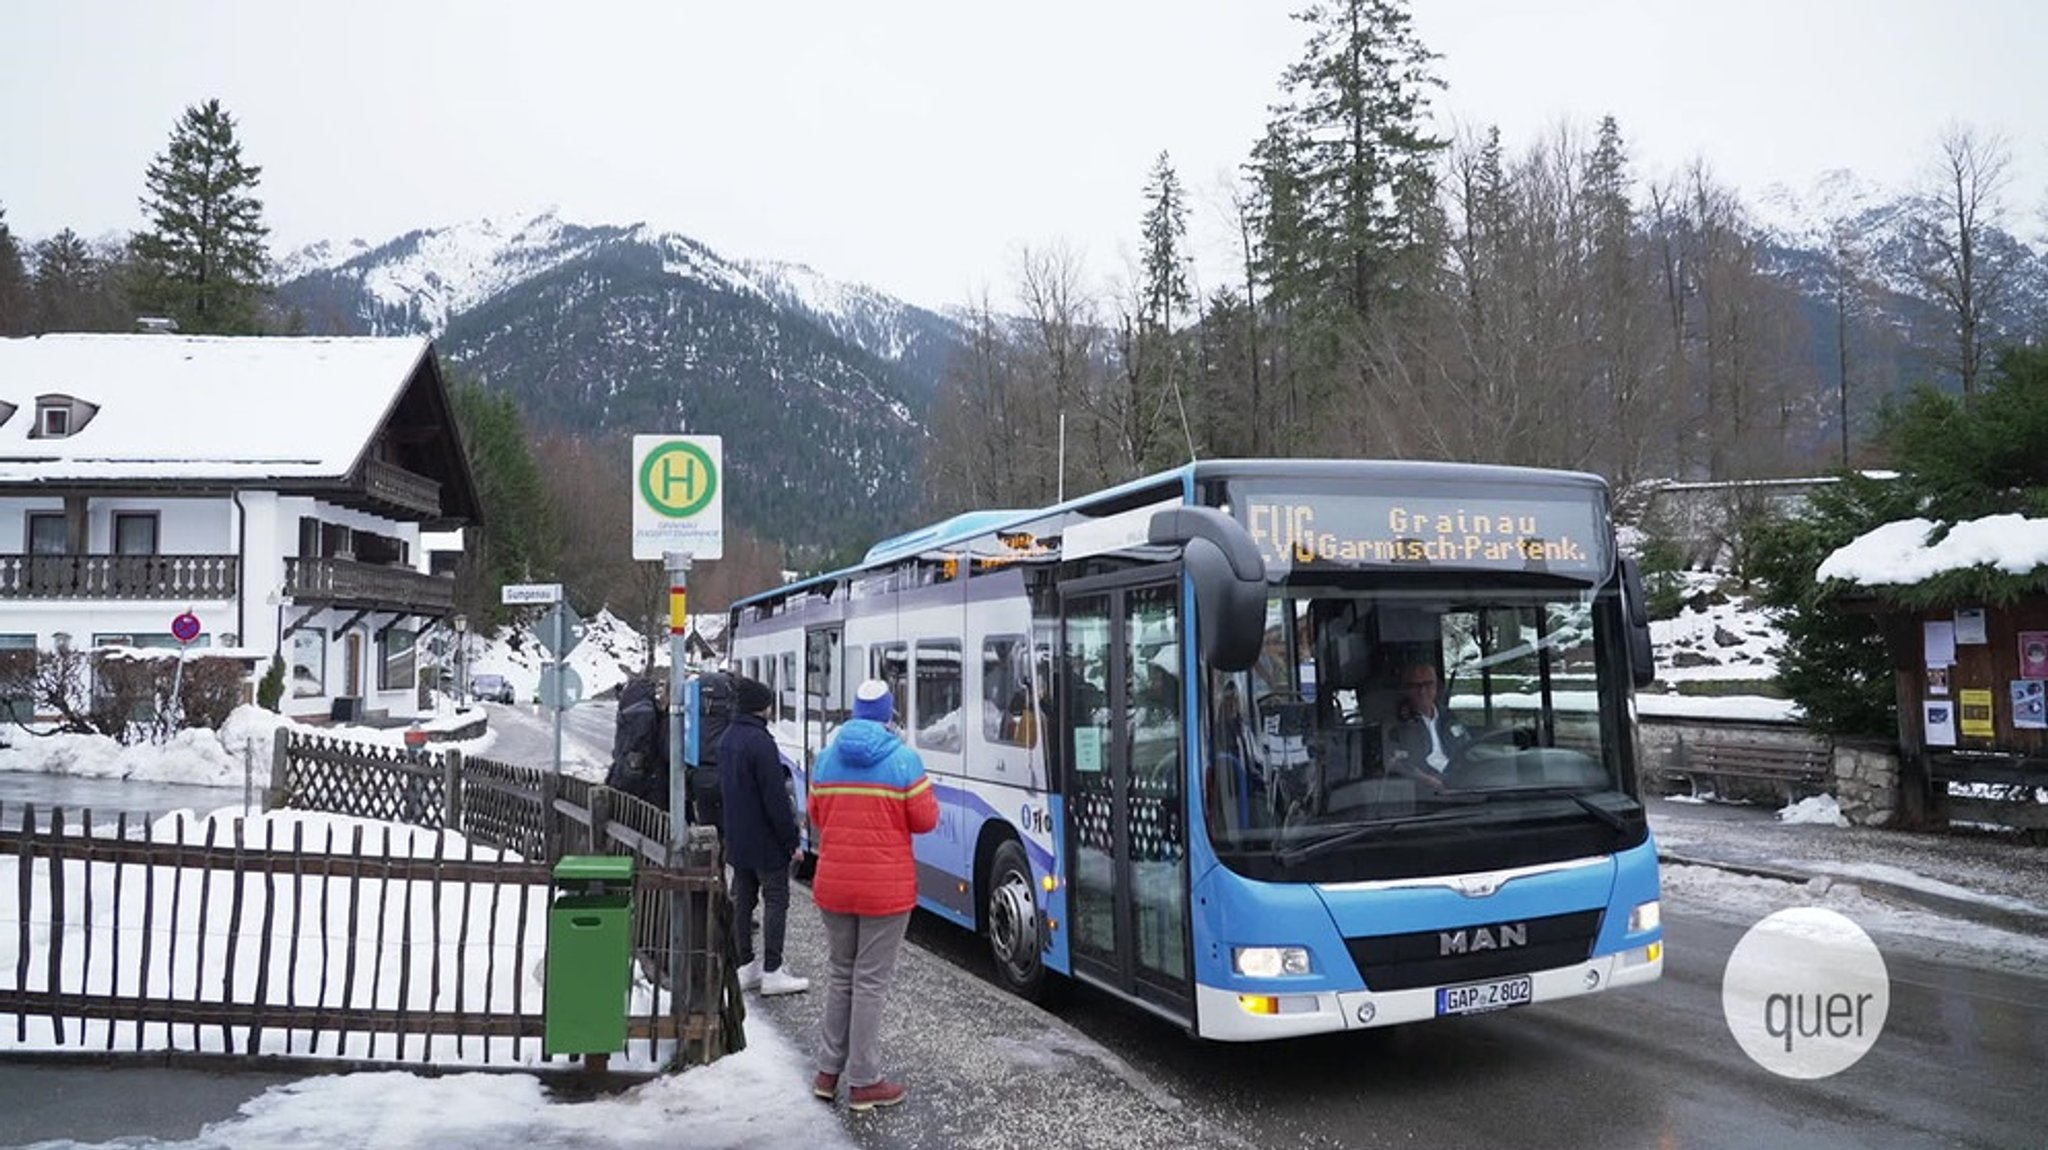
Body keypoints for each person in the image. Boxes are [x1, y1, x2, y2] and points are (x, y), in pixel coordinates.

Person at [808, 679, 939, 1111]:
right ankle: (864, 1080)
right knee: (870, 982)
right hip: (885, 889)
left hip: (834, 884)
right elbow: (925, 821)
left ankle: (828, 1073)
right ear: (889, 715)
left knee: (841, 975)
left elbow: (816, 815)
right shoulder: (904, 760)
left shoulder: (826, 759)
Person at [720, 675, 809, 996]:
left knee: (743, 901)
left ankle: (745, 965)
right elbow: (775, 799)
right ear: (762, 707)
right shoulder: (761, 743)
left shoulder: (728, 737)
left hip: (738, 838)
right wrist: (792, 842)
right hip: (766, 842)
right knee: (776, 901)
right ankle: (773, 970)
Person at [1383, 660, 1468, 781]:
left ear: (1437, 686)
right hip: (1423, 790)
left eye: (1428, 684)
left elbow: (1466, 747)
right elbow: (1396, 764)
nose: (1422, 691)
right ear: (1406, 690)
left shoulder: (1448, 716)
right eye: (1415, 686)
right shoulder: (1397, 724)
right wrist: (1426, 780)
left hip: (1458, 780)